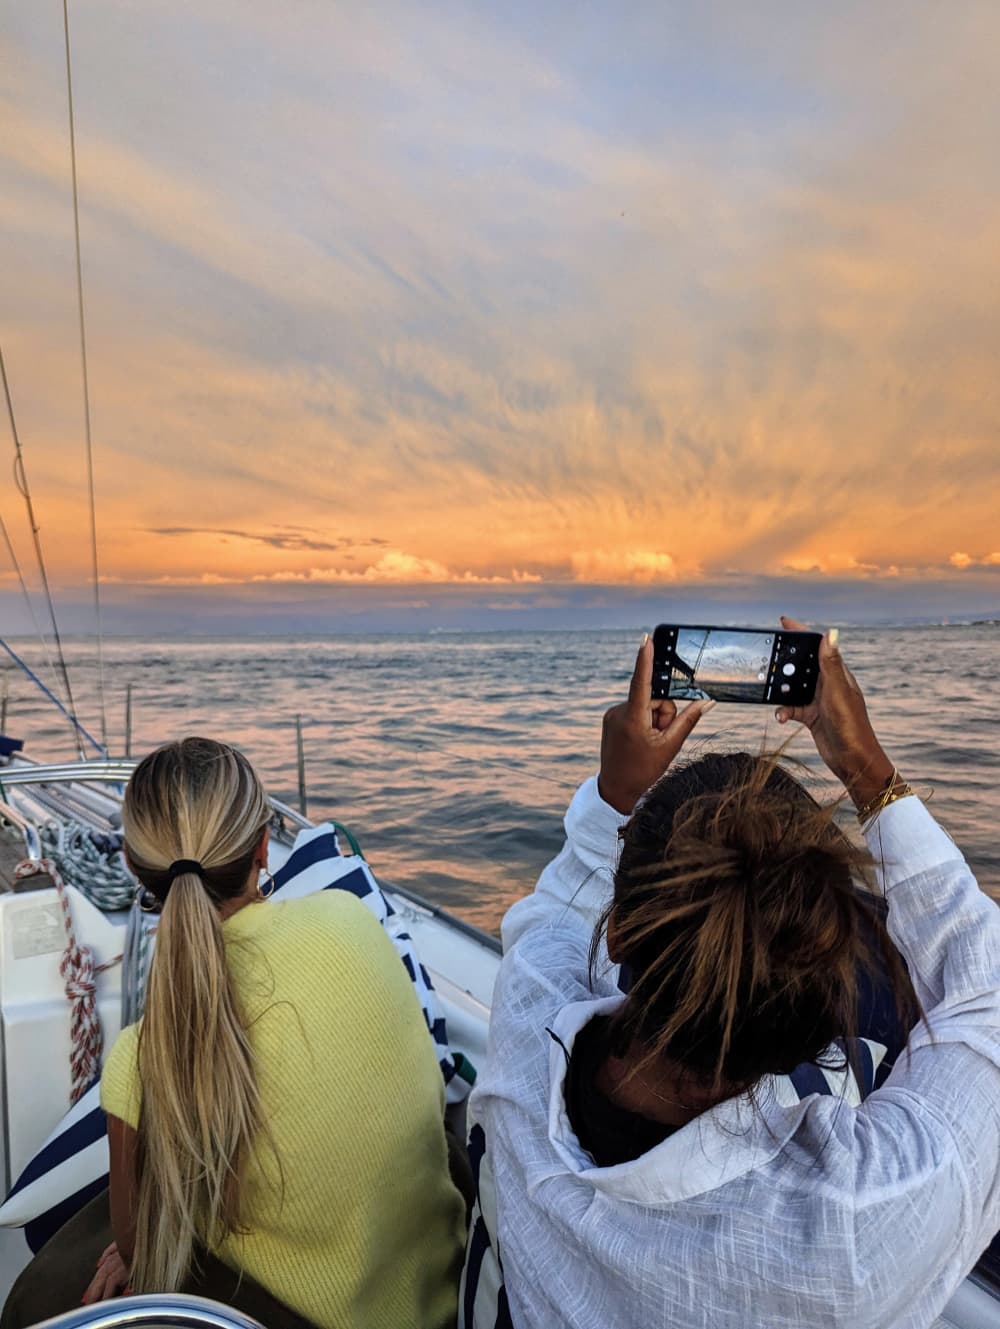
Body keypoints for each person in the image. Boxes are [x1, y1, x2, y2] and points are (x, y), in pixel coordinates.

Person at [460, 619, 1000, 1328]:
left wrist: (614, 794)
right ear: (818, 1023)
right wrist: (865, 767)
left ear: (617, 933)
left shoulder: (525, 1060)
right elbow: (983, 997)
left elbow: (556, 914)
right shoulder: (856, 1231)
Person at [4, 737, 465, 1329]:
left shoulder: (142, 1059)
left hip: (311, 1311)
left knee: (36, 1297)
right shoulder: (348, 916)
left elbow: (138, 1247)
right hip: (441, 1286)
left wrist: (134, 1247)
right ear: (264, 848)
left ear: (131, 866)